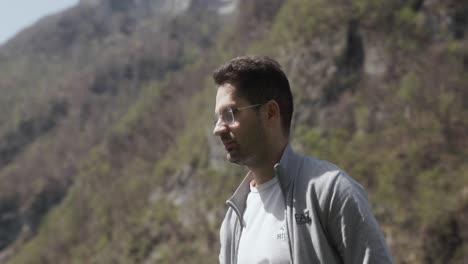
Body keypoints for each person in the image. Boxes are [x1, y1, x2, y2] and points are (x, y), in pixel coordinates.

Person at [212, 55, 393, 264]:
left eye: (230, 114)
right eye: (217, 118)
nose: (218, 129)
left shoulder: (330, 192)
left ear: (270, 112)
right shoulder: (233, 220)